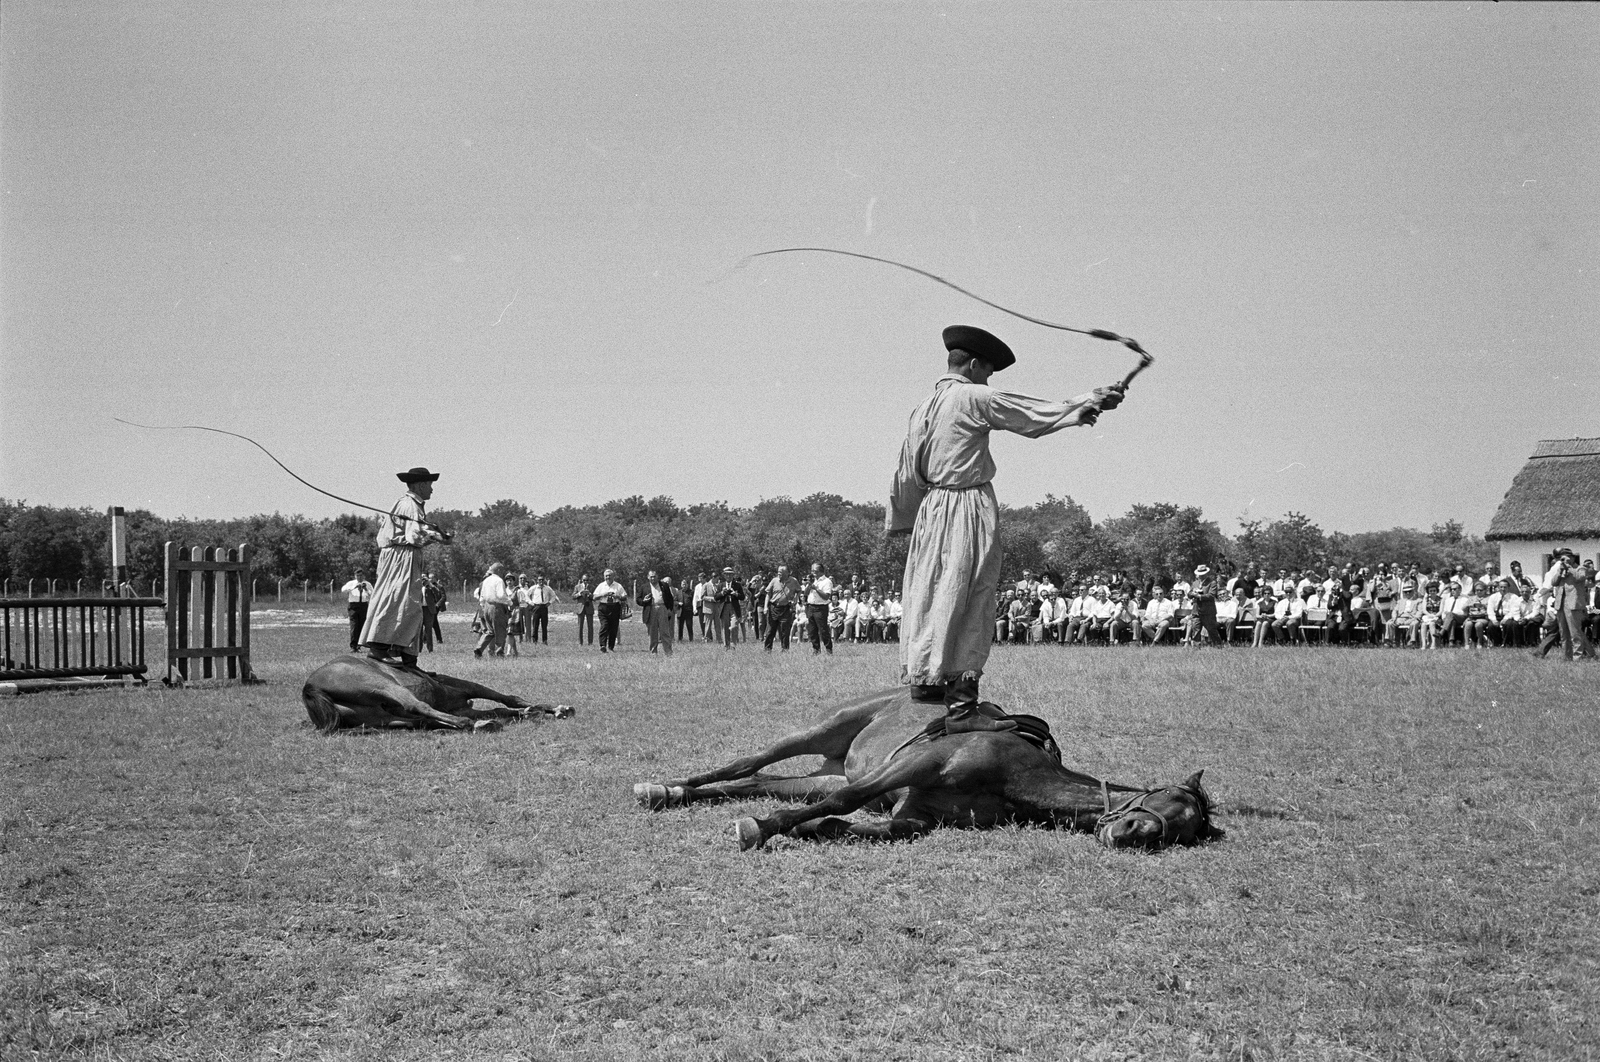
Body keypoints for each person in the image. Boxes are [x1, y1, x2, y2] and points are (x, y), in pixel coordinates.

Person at [360, 466, 446, 666]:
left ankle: (409, 658)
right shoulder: (409, 505)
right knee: (397, 600)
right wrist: (439, 536)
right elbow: (414, 536)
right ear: (421, 484)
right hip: (401, 556)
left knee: (410, 605)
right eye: (430, 485)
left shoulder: (412, 504)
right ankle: (378, 647)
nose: (432, 489)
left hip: (405, 555)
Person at [1540, 550, 1596, 661]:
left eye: (1566, 558)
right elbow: (1554, 582)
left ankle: (1578, 656)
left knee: (1575, 632)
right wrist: (1560, 570)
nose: (1564, 561)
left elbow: (1579, 577)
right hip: (1561, 604)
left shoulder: (1580, 568)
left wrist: (1569, 567)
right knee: (1563, 633)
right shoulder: (1561, 570)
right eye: (1562, 559)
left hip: (1573, 604)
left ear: (1572, 558)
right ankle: (1567, 656)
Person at [472, 563, 512, 658]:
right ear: (498, 570)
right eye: (502, 570)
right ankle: (500, 652)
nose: (503, 573)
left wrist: (483, 606)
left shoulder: (486, 581)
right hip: (497, 607)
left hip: (486, 607)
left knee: (490, 631)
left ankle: (479, 648)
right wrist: (509, 602)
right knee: (500, 630)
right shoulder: (498, 580)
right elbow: (501, 595)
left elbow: (481, 597)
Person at [636, 571, 676, 655]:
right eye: (651, 577)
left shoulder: (664, 585)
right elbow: (638, 599)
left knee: (665, 632)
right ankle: (653, 652)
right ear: (648, 577)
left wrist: (669, 609)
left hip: (662, 608)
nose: (653, 578)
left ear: (657, 576)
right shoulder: (644, 587)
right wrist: (644, 601)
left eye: (654, 576)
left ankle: (668, 652)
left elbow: (670, 599)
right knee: (652, 632)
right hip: (651, 609)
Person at [764, 565, 801, 651]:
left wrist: (796, 598)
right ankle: (767, 649)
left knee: (785, 630)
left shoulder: (793, 581)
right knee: (770, 630)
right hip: (774, 607)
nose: (779, 573)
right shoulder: (774, 581)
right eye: (778, 572)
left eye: (781, 572)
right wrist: (766, 607)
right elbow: (768, 594)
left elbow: (799, 591)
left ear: (788, 573)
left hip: (785, 608)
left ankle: (785, 649)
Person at [1187, 565, 1223, 647]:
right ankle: (1196, 648)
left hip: (1208, 611)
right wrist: (1192, 594)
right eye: (1199, 574)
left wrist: (1199, 596)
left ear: (1207, 573)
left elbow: (1212, 595)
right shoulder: (1195, 583)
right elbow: (1189, 593)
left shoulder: (1212, 582)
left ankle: (1218, 646)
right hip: (1196, 610)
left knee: (1211, 630)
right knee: (1196, 630)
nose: (1201, 576)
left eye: (1203, 574)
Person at [593, 569, 627, 653]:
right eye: (606, 576)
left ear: (613, 576)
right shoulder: (601, 586)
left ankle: (611, 647)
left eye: (609, 575)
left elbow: (625, 596)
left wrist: (617, 596)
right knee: (604, 625)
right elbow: (594, 597)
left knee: (613, 628)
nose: (608, 577)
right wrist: (603, 594)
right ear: (604, 577)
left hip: (615, 607)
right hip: (603, 607)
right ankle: (602, 645)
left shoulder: (618, 586)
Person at [340, 570, 374, 653]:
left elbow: (372, 594)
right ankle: (353, 646)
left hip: (363, 605)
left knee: (362, 626)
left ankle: (359, 645)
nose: (359, 577)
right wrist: (354, 587)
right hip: (353, 605)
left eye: (361, 575)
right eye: (358, 575)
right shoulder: (351, 583)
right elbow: (343, 590)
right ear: (355, 576)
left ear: (364, 576)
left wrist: (365, 589)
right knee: (354, 626)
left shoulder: (368, 584)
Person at [805, 563, 834, 656]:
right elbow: (805, 593)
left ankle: (829, 649)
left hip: (821, 608)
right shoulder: (813, 581)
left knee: (823, 630)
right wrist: (809, 585)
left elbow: (826, 596)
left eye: (815, 571)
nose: (813, 573)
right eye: (812, 571)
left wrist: (816, 588)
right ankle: (816, 649)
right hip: (811, 607)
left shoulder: (827, 581)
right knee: (812, 630)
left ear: (821, 571)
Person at [527, 574, 559, 644]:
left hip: (544, 607)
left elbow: (553, 596)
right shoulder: (534, 588)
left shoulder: (547, 588)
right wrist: (531, 602)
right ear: (537, 581)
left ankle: (545, 641)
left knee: (544, 625)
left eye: (542, 580)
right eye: (539, 580)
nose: (541, 581)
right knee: (535, 625)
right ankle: (535, 641)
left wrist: (550, 602)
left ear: (544, 580)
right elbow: (526, 595)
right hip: (536, 607)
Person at [420, 572, 445, 652]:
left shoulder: (430, 587)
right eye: (422, 578)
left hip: (429, 609)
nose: (423, 579)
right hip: (420, 610)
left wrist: (430, 584)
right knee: (419, 630)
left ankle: (430, 649)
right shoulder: (417, 587)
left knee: (428, 629)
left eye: (424, 578)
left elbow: (438, 593)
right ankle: (418, 648)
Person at [572, 574, 595, 645]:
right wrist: (579, 593)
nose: (585, 582)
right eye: (584, 580)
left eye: (587, 580)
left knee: (590, 626)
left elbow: (594, 597)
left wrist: (589, 594)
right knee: (580, 627)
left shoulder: (592, 587)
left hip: (589, 608)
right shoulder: (577, 587)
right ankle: (580, 642)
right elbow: (573, 597)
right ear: (582, 580)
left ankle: (590, 642)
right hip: (580, 608)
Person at [676, 575, 697, 642]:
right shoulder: (678, 592)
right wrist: (678, 603)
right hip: (680, 611)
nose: (684, 586)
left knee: (689, 626)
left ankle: (691, 639)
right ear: (681, 585)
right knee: (680, 627)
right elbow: (674, 601)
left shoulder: (691, 592)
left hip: (688, 612)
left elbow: (694, 600)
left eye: (685, 584)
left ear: (687, 585)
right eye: (683, 584)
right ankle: (680, 639)